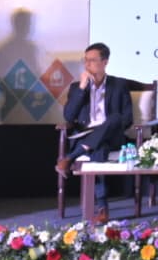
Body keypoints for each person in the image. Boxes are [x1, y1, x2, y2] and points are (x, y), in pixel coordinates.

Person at [56, 42, 133, 224]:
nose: (87, 64)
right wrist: (83, 88)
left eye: (92, 60)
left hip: (111, 134)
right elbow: (69, 116)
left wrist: (106, 128)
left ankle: (70, 157)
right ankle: (102, 208)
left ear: (105, 62)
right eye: (86, 60)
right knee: (99, 149)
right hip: (85, 135)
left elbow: (127, 118)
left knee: (114, 118)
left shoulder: (119, 85)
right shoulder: (77, 87)